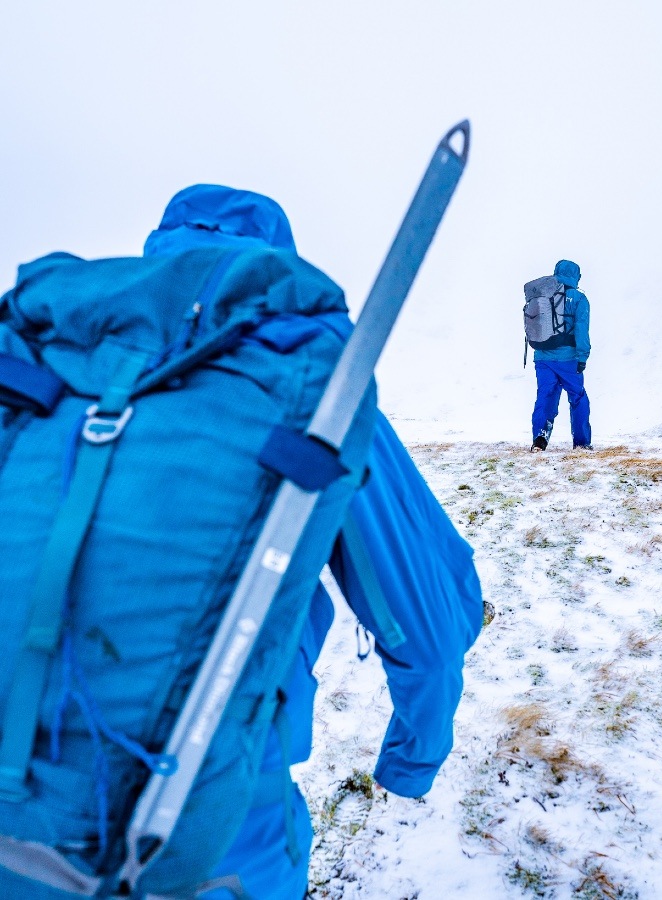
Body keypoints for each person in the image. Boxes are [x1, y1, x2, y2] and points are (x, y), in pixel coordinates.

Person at [141, 185, 484, 898]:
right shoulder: (311, 379)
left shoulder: (59, 369)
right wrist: (410, 760)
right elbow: (424, 612)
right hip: (216, 813)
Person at [530, 259, 592, 451]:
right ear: (576, 276)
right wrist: (583, 357)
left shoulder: (543, 295)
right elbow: (581, 329)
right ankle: (581, 443)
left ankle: (540, 438)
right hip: (568, 359)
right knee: (578, 397)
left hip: (542, 357)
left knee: (545, 396)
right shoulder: (579, 299)